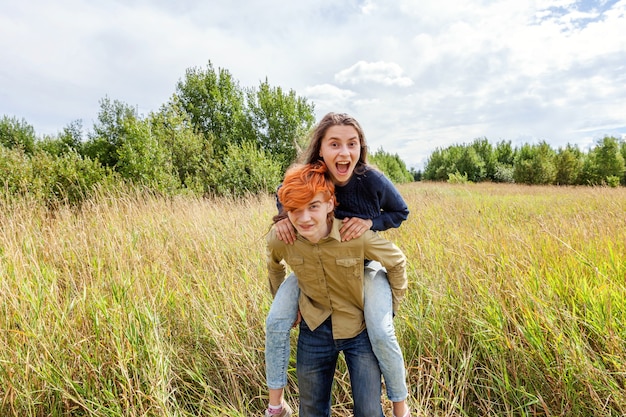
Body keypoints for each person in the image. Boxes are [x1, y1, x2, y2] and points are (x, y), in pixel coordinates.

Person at [264, 112, 411, 417]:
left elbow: (401, 212)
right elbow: (285, 195)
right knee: (277, 320)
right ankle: (275, 405)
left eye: (352, 144)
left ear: (360, 148)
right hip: (312, 264)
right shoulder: (306, 177)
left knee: (381, 331)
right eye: (334, 144)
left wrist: (371, 222)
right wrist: (282, 220)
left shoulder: (370, 179)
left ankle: (402, 407)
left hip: (360, 264)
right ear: (320, 150)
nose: (344, 152)